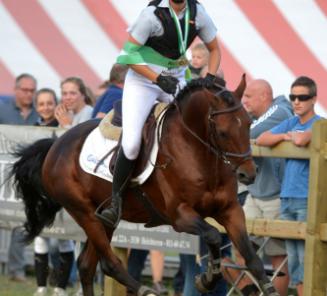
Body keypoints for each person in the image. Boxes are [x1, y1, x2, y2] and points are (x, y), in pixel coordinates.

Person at [97, 0, 221, 228]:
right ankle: (115, 203)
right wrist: (157, 79)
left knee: (201, 124)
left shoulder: (198, 11)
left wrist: (210, 78)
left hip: (177, 78)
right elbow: (126, 56)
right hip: (143, 82)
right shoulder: (151, 15)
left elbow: (214, 49)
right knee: (132, 143)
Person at [223, 79, 292, 295]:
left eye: (249, 96)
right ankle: (251, 291)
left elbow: (244, 135)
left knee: (278, 255)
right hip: (255, 194)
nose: (244, 101)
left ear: (264, 96)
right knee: (240, 245)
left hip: (276, 196)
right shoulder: (251, 117)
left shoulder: (280, 109)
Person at [256, 76, 322, 296]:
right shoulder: (291, 123)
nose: (296, 102)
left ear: (314, 99)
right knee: (293, 260)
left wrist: (297, 137)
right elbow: (263, 138)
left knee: (306, 260)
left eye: (302, 97)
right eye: (293, 97)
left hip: (306, 199)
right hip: (286, 198)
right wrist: (285, 136)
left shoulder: (320, 124)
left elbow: (303, 140)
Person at [33, 88, 75, 296]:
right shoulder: (31, 128)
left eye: (50, 103)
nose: (46, 107)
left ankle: (60, 287)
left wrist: (66, 126)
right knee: (41, 237)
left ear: (56, 104)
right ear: (36, 107)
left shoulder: (64, 127)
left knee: (64, 237)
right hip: (39, 190)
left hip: (61, 189)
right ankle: (41, 287)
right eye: (41, 104)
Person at [0, 73, 38, 282]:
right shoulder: (2, 110)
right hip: (1, 170)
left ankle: (17, 269)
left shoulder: (39, 114)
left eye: (32, 90)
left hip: (24, 176)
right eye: (25, 90)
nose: (29, 94)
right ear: (15, 89)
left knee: (19, 221)